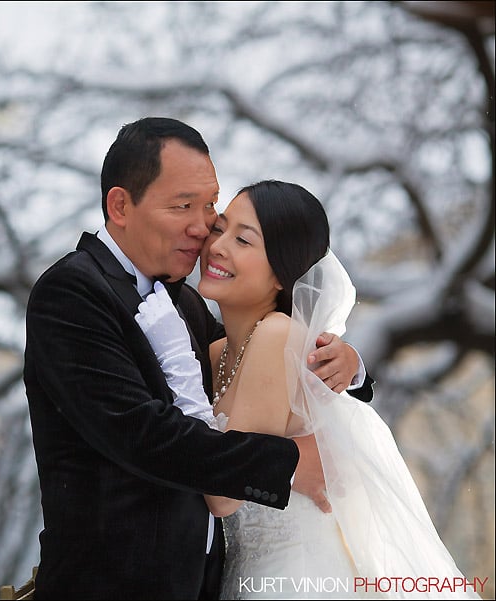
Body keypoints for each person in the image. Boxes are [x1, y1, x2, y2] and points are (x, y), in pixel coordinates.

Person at [23, 117, 373, 600]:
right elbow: (144, 435)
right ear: (120, 205)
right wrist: (288, 465)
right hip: (114, 585)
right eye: (183, 205)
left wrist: (350, 367)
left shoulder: (183, 301)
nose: (203, 225)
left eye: (210, 204)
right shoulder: (71, 293)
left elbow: (256, 356)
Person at [136, 180, 478, 599]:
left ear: (281, 272)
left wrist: (176, 362)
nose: (218, 246)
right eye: (220, 228)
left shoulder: (277, 335)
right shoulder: (218, 351)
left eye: (243, 239)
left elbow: (223, 496)